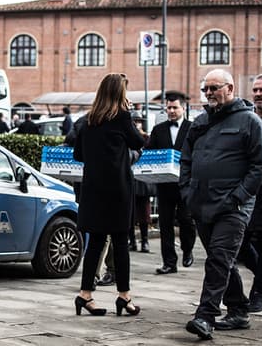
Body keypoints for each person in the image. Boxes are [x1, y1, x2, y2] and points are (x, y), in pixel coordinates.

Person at [182, 69, 262, 339]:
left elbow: (261, 167)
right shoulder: (199, 123)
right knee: (221, 260)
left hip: (233, 207)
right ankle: (239, 310)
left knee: (219, 258)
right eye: (205, 89)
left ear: (230, 88)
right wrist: (187, 192)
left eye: (214, 88)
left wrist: (237, 198)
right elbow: (185, 160)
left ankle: (205, 316)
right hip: (202, 204)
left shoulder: (250, 122)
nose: (208, 93)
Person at [73, 73, 145, 317]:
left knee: (94, 242)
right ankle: (124, 297)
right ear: (119, 93)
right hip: (117, 190)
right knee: (120, 242)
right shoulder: (122, 117)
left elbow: (78, 155)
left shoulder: (88, 120)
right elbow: (137, 143)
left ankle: (85, 295)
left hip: (93, 190)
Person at [147, 95, 196, 274]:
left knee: (186, 220)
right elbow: (149, 152)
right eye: (169, 108)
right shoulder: (158, 129)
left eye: (175, 108)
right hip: (165, 184)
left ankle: (188, 249)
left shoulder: (192, 128)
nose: (171, 111)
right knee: (165, 223)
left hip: (185, 184)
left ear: (183, 108)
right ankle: (169, 262)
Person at [244, 74, 262, 312]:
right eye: (255, 90)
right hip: (249, 192)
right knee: (241, 245)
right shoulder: (249, 121)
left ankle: (258, 292)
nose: (258, 94)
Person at [129, 113, 155, 254]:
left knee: (144, 212)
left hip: (142, 179)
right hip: (130, 177)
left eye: (138, 121)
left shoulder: (146, 138)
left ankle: (144, 241)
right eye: (134, 121)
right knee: (130, 212)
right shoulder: (127, 137)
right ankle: (132, 241)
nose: (136, 124)